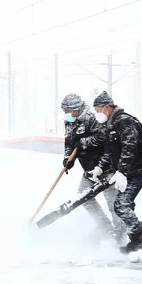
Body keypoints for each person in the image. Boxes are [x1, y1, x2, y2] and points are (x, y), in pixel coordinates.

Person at [91, 91, 142, 253]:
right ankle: (138, 245)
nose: (97, 114)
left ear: (107, 107)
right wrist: (100, 167)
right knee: (126, 205)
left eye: (97, 110)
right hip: (126, 173)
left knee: (121, 205)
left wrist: (122, 171)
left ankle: (139, 238)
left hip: (136, 172)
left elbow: (129, 148)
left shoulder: (124, 122)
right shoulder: (111, 125)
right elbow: (110, 152)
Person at [60, 93, 123, 241]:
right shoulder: (70, 121)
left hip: (105, 167)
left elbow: (103, 138)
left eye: (67, 111)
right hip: (88, 168)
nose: (65, 115)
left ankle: (120, 237)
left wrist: (83, 143)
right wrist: (68, 158)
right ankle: (106, 228)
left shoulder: (93, 118)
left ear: (76, 108)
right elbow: (69, 141)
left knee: (113, 203)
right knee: (84, 198)